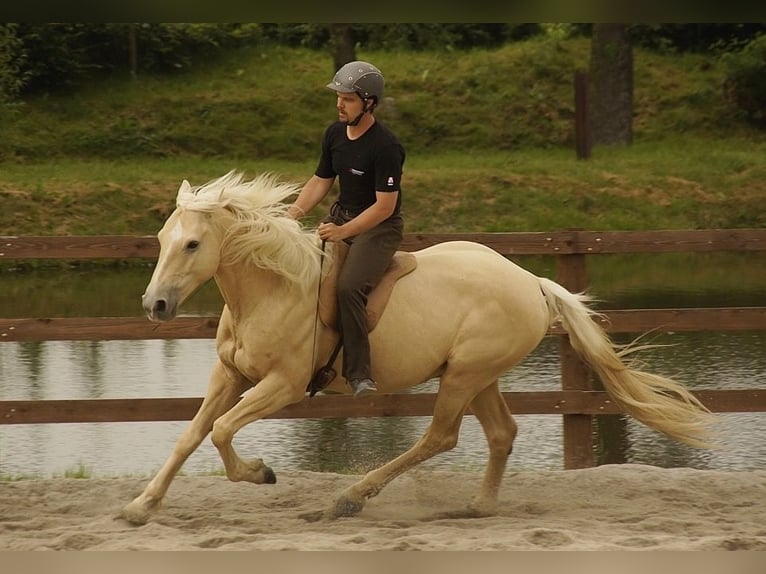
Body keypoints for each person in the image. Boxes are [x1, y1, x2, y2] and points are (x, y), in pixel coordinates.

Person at [287, 60, 405, 398]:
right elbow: (320, 180)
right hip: (342, 217)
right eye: (338, 97)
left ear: (368, 103)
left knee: (349, 287)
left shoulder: (385, 146)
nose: (339, 104)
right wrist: (292, 215)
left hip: (378, 227)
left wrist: (342, 232)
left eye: (348, 99)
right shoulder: (335, 134)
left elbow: (385, 207)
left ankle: (359, 375)